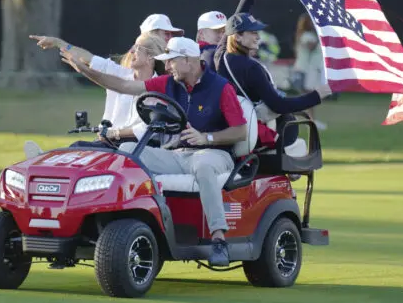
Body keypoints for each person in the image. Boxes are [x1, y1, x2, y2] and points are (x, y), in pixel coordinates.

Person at [63, 36, 247, 267]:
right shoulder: (168, 83)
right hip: (176, 154)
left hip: (214, 153)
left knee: (204, 166)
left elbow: (240, 131)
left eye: (171, 61)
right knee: (128, 151)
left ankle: (219, 239)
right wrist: (85, 71)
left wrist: (206, 137)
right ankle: (120, 222)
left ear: (189, 61)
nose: (166, 66)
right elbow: (123, 85)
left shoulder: (221, 88)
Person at [214, 0, 332, 151]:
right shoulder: (250, 67)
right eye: (252, 32)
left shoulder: (220, 56)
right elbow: (278, 105)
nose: (258, 36)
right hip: (257, 135)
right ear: (238, 37)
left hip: (235, 129)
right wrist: (316, 96)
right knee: (300, 146)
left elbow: (238, 15)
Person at [26, 32, 166, 156]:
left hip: (138, 147)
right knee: (79, 148)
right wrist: (58, 43)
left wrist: (115, 133)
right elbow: (89, 58)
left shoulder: (159, 86)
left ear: (151, 57)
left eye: (137, 48)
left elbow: (149, 127)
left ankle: (45, 160)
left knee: (79, 149)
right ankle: (46, 160)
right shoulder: (120, 74)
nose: (131, 52)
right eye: (133, 47)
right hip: (110, 142)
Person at [291, 12, 327, 130]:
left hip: (307, 69)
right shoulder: (306, 35)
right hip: (306, 70)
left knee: (308, 96)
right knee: (309, 96)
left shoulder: (305, 35)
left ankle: (310, 120)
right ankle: (310, 120)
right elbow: (310, 47)